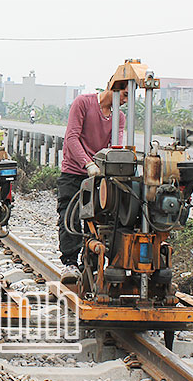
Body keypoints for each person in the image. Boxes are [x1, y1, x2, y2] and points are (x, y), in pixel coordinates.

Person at [56, 78, 128, 281]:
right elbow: (71, 137)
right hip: (74, 171)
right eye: (124, 95)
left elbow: (116, 144)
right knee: (69, 216)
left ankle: (93, 264)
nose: (125, 101)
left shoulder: (118, 117)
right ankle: (70, 263)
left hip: (99, 175)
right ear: (112, 89)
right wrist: (88, 164)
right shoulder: (83, 103)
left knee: (102, 219)